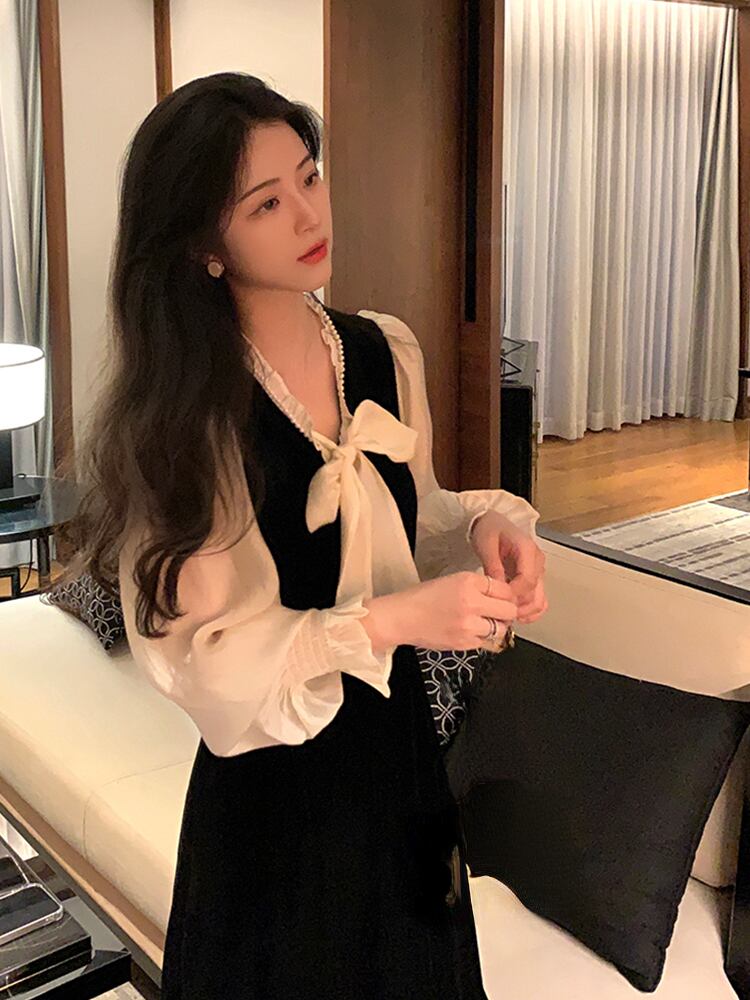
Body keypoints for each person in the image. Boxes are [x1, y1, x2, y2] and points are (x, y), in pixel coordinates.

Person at [64, 71, 547, 999]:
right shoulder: (190, 419)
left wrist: (487, 528)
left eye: (310, 176)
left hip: (402, 762)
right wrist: (392, 622)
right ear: (204, 244)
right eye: (266, 203)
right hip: (274, 796)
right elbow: (210, 661)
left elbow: (413, 516)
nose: (308, 213)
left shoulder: (382, 349)